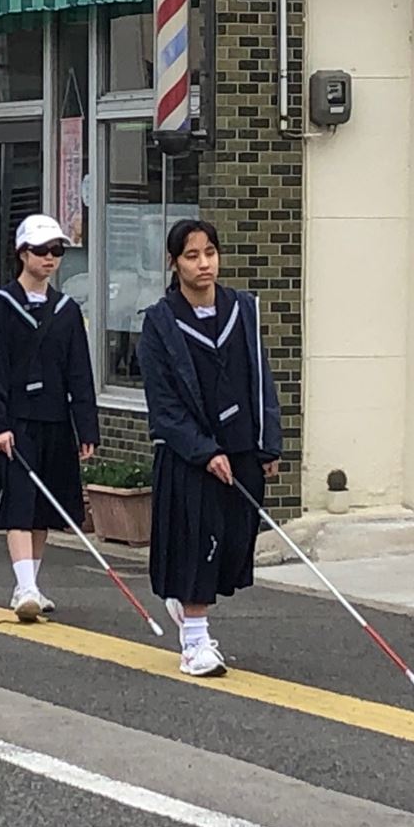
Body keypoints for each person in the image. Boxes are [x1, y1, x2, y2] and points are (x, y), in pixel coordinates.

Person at [136, 219, 282, 676]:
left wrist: (267, 442)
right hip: (191, 454)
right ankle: (195, 643)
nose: (204, 264)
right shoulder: (160, 325)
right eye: (192, 256)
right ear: (174, 263)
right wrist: (201, 450)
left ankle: (187, 604)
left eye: (210, 253)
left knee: (234, 542)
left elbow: (260, 378)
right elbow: (163, 405)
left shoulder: (242, 310)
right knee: (199, 541)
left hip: (240, 446)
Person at [0, 213, 100, 621]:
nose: (50, 259)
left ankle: (31, 583)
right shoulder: (1, 305)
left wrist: (87, 427)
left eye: (57, 251)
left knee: (46, 506)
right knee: (19, 503)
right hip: (16, 418)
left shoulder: (66, 310)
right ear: (22, 254)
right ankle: (24, 587)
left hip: (55, 418)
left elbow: (79, 371)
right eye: (42, 251)